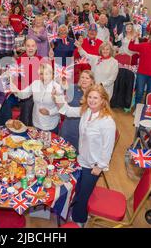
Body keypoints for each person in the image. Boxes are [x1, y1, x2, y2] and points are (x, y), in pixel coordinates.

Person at [55, 85, 116, 227]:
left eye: (96, 98)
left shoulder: (107, 122)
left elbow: (108, 148)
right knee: (77, 188)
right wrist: (57, 96)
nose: (92, 100)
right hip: (81, 159)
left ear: (103, 100)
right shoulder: (86, 111)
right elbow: (67, 111)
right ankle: (75, 210)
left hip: (93, 166)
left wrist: (100, 167)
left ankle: (79, 220)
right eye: (90, 97)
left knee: (83, 195)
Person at [13, 63, 62, 134]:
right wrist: (16, 91)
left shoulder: (57, 87)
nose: (43, 76)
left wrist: (49, 112)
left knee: (49, 145)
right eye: (41, 74)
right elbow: (23, 94)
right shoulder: (35, 83)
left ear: (52, 75)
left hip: (51, 125)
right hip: (36, 123)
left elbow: (61, 108)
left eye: (46, 74)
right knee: (36, 144)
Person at [59, 70, 96, 150]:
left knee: (77, 153)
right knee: (62, 150)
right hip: (68, 126)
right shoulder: (72, 87)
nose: (84, 80)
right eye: (82, 77)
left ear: (92, 81)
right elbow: (63, 90)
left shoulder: (94, 95)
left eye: (87, 78)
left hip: (83, 130)